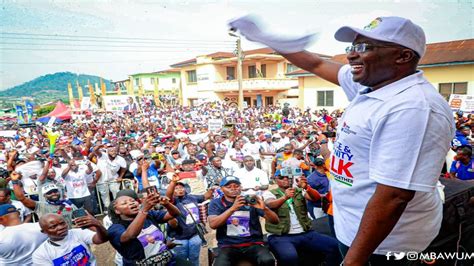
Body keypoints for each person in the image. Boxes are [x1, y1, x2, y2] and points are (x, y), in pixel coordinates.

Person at [230, 15, 455, 264]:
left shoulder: (413, 109)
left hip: (384, 244)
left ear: (402, 56)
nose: (351, 56)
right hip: (351, 225)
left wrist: (353, 261)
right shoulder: (371, 85)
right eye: (352, 47)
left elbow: (394, 196)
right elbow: (315, 64)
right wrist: (269, 39)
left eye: (365, 48)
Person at [263, 173, 340, 266]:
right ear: (275, 180)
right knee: (290, 257)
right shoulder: (269, 193)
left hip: (305, 233)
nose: (285, 179)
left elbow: (315, 198)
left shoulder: (298, 190)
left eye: (288, 176)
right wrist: (285, 197)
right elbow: (270, 204)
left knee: (334, 246)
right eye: (281, 177)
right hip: (281, 236)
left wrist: (307, 187)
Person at [207, 176, 279, 266]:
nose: (233, 189)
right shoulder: (216, 203)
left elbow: (275, 221)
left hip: (253, 243)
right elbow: (213, 224)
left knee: (267, 260)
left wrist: (265, 208)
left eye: (236, 186)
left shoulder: (250, 201)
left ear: (241, 187)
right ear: (222, 189)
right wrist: (233, 208)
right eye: (228, 187)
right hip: (228, 245)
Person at [107, 190, 181, 265]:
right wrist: (144, 210)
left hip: (169, 261)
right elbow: (130, 235)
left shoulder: (149, 215)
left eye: (133, 200)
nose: (131, 203)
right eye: (124, 203)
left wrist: (167, 204)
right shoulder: (115, 228)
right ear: (117, 211)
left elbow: (174, 214)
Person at [165, 174, 214, 266]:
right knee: (181, 262)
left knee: (194, 259)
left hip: (194, 236)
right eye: (176, 188)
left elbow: (205, 197)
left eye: (181, 187)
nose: (180, 189)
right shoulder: (172, 202)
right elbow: (168, 196)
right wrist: (173, 182)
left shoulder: (192, 197)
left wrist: (212, 189)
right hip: (178, 239)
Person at [32, 213, 108, 265]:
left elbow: (101, 239)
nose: (61, 227)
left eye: (62, 223)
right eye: (53, 227)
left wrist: (98, 225)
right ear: (44, 231)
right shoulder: (40, 254)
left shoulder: (78, 233)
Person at [11, 172, 78, 227]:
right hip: (50, 237)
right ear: (45, 196)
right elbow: (21, 198)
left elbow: (80, 216)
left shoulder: (68, 204)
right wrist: (14, 181)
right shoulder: (40, 206)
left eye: (55, 191)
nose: (53, 194)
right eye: (49, 193)